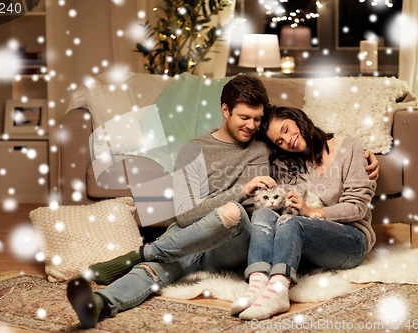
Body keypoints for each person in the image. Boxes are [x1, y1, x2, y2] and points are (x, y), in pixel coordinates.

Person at [66, 76, 379, 328]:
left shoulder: (264, 147)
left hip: (239, 237)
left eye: (257, 120)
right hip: (196, 234)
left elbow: (313, 151)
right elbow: (186, 215)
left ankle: (137, 253)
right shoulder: (192, 150)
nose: (252, 126)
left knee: (233, 213)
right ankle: (101, 304)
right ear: (225, 109)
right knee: (159, 267)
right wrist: (240, 190)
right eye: (245, 117)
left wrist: (367, 155)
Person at [230, 105, 377, 320]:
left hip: (350, 239)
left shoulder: (349, 147)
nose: (287, 140)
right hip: (308, 241)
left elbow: (357, 207)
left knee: (291, 222)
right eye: (279, 141)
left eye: (286, 129)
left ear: (297, 118)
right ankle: (256, 287)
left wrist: (312, 211)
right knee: (264, 214)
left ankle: (278, 293)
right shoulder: (285, 164)